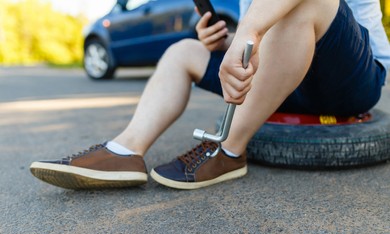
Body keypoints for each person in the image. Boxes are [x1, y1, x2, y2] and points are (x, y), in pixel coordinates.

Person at [30, 0, 390, 190]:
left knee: (309, 1)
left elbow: (295, 22)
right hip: (288, 77)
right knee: (182, 50)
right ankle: (125, 151)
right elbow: (280, 41)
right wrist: (225, 43)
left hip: (351, 80)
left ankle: (229, 149)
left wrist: (248, 31)